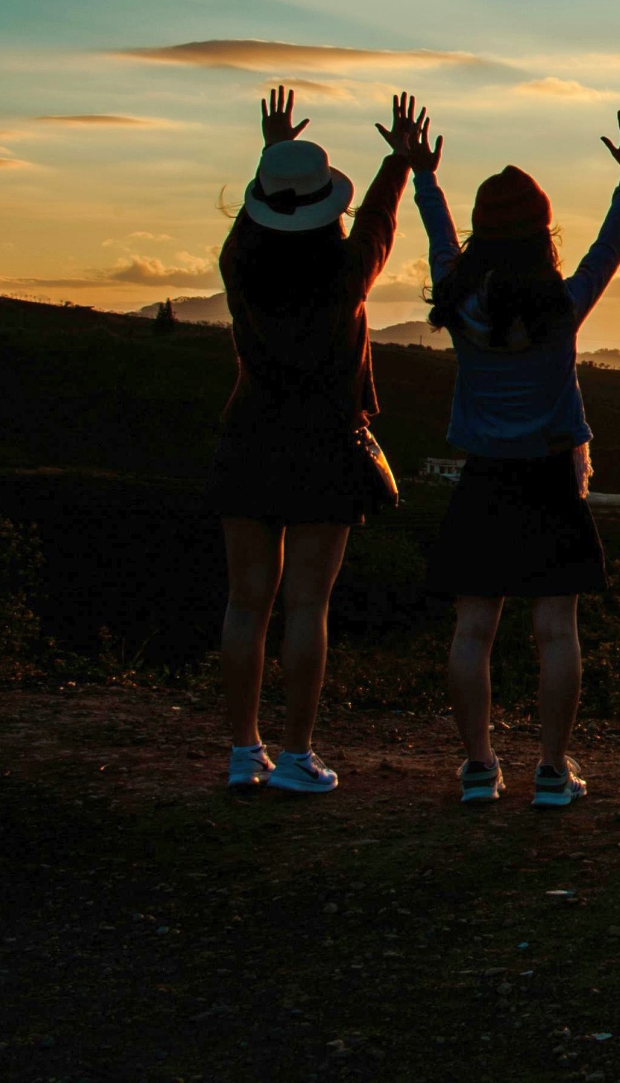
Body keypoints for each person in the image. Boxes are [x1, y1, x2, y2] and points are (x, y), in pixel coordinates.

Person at [410, 107, 620, 808]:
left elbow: (438, 237)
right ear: (543, 232)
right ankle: (552, 768)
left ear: (484, 232)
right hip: (550, 477)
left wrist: (424, 174)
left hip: (482, 476)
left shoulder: (460, 303)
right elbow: (608, 247)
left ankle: (479, 768)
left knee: (473, 627)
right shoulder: (561, 305)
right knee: (555, 630)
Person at [211, 87, 422, 794]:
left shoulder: (239, 266)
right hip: (325, 444)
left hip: (249, 438)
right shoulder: (343, 274)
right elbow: (380, 223)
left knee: (247, 602)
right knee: (307, 604)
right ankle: (298, 752)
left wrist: (273, 154)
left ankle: (244, 750)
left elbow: (254, 224)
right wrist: (399, 159)